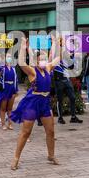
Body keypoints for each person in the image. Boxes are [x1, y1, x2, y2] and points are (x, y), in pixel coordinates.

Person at [10, 37, 60, 170]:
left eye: (45, 58)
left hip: (45, 102)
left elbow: (57, 58)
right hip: (33, 102)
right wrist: (22, 47)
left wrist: (55, 43)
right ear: (36, 61)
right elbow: (21, 62)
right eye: (41, 59)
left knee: (50, 131)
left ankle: (51, 155)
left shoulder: (48, 68)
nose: (43, 60)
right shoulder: (33, 71)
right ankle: (16, 158)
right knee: (26, 132)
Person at [53, 42, 82, 124]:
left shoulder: (67, 59)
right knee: (60, 99)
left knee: (72, 97)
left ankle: (73, 117)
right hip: (59, 81)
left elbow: (72, 66)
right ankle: (60, 118)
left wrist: (73, 56)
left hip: (67, 79)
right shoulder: (56, 59)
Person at [0, 52, 18, 130]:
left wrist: (16, 91)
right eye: (7, 57)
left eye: (10, 57)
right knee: (3, 108)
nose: (9, 58)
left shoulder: (13, 69)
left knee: (10, 108)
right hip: (4, 89)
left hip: (12, 89)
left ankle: (10, 123)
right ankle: (3, 124)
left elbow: (16, 80)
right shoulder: (2, 68)